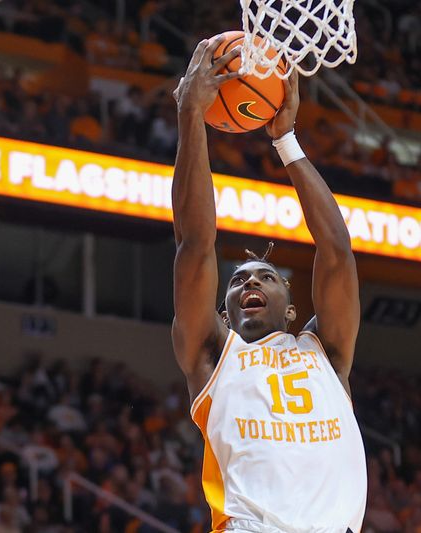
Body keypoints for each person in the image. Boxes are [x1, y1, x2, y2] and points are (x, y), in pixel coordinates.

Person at [171, 35, 367, 532]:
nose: (250, 281)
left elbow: (338, 252)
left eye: (266, 277)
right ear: (223, 313)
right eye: (237, 282)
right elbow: (195, 244)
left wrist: (286, 139)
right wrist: (191, 118)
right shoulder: (212, 355)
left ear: (292, 309)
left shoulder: (326, 352)